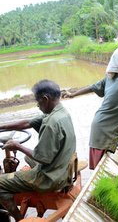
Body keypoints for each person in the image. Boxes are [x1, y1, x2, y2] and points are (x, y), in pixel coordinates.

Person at [0, 80, 76, 221]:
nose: (37, 105)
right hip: (63, 169)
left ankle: (18, 218)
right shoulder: (60, 112)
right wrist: (2, 127)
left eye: (38, 101)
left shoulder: (50, 123)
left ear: (45, 99)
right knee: (28, 158)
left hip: (49, 179)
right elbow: (27, 123)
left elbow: (42, 158)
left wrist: (17, 146)